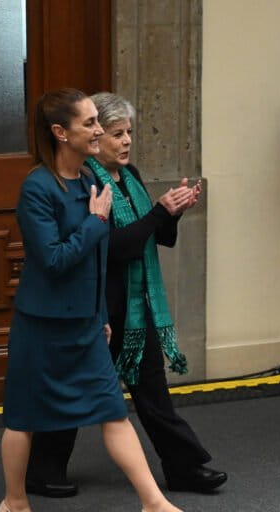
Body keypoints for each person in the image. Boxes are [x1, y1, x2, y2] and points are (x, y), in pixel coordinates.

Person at [24, 92, 227, 499]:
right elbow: (111, 247)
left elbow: (153, 238)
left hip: (135, 306)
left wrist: (172, 213)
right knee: (73, 389)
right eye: (116, 133)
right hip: (97, 304)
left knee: (153, 392)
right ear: (95, 136)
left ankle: (183, 467)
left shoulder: (129, 175)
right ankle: (43, 471)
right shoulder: (85, 180)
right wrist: (158, 213)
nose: (126, 141)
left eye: (128, 132)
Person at [0, 88, 181, 512]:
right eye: (90, 123)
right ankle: (14, 502)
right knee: (24, 419)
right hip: (42, 327)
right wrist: (97, 221)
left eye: (99, 122)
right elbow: (54, 260)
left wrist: (100, 314)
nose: (99, 130)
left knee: (113, 412)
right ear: (60, 132)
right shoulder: (37, 188)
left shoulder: (90, 180)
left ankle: (154, 503)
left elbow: (97, 264)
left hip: (86, 324)